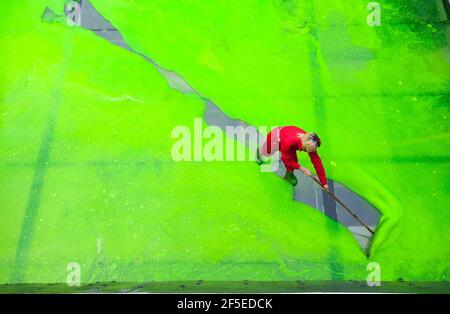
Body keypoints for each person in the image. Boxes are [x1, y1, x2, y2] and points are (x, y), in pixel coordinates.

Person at [257, 126, 329, 190]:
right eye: (312, 150)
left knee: (294, 160)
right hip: (275, 138)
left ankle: (289, 175)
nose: (314, 152)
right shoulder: (290, 141)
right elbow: (285, 160)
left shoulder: (310, 142)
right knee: (267, 152)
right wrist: (302, 168)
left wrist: (324, 182)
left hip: (289, 142)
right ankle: (259, 152)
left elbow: (317, 162)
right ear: (305, 146)